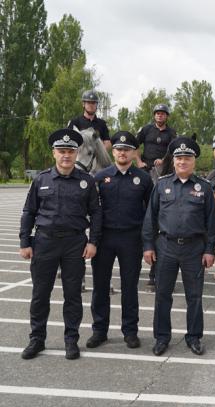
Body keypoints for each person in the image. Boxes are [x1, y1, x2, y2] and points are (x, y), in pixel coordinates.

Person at [19, 128, 102, 360]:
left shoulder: (86, 181)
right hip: (44, 242)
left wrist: (93, 242)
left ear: (76, 154)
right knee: (40, 295)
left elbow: (96, 214)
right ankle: (36, 339)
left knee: (73, 295)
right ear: (54, 153)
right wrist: (25, 241)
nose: (66, 155)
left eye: (70, 151)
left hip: (75, 243)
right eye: (61, 151)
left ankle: (71, 340)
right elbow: (29, 212)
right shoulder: (41, 180)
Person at [142, 137, 215, 356]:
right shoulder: (162, 185)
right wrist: (148, 246)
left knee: (194, 297)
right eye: (179, 158)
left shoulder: (204, 188)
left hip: (194, 249)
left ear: (194, 161)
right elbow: (150, 218)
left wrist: (210, 249)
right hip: (165, 247)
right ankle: (162, 338)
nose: (183, 162)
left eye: (187, 158)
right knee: (163, 295)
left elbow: (212, 222)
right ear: (173, 161)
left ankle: (194, 337)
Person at [87, 131, 153, 350]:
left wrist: (148, 243)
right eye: (118, 149)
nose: (122, 152)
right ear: (112, 151)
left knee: (129, 287)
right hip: (104, 239)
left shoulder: (143, 179)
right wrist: (92, 240)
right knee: (100, 286)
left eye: (126, 149)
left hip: (131, 239)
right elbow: (93, 211)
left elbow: (150, 214)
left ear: (134, 153)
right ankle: (99, 330)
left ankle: (130, 331)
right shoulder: (100, 177)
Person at [136, 103, 177, 292]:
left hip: (164, 169)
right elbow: (135, 146)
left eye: (163, 114)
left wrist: (164, 160)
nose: (160, 116)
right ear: (154, 115)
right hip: (145, 167)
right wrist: (139, 161)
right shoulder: (145, 129)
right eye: (158, 113)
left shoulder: (171, 132)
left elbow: (174, 150)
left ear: (166, 116)